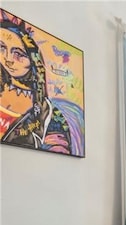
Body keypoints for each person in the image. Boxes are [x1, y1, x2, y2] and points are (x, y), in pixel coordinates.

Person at [0, 14, 74, 154]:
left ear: (33, 60)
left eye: (18, 54)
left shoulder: (47, 113)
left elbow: (59, 148)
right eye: (1, 47)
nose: (8, 59)